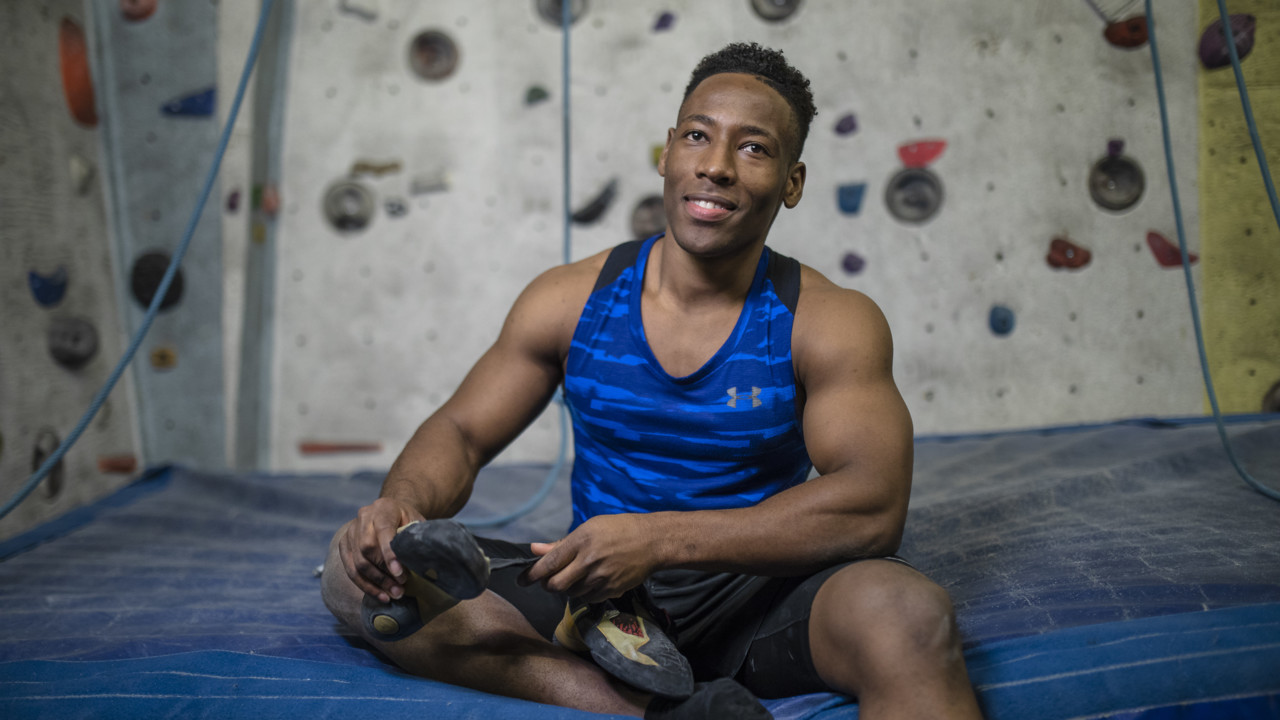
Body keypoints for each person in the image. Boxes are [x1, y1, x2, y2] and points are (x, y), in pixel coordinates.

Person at [322, 42, 983, 719]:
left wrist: (659, 540)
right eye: (697, 136)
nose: (716, 166)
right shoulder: (569, 299)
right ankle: (652, 711)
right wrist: (400, 505)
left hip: (757, 592)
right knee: (357, 574)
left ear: (792, 182)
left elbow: (872, 505)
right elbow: (462, 432)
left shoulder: (827, 321)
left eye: (753, 148)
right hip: (599, 606)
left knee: (907, 614)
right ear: (667, 153)